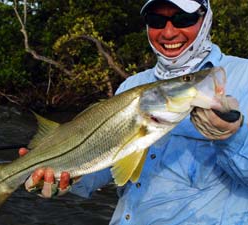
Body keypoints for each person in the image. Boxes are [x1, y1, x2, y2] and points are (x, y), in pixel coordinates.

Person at [20, 0, 248, 224]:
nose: (168, 33)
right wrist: (67, 178)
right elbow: (106, 168)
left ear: (206, 17)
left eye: (183, 18)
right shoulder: (132, 85)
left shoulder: (243, 76)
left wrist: (232, 137)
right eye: (157, 20)